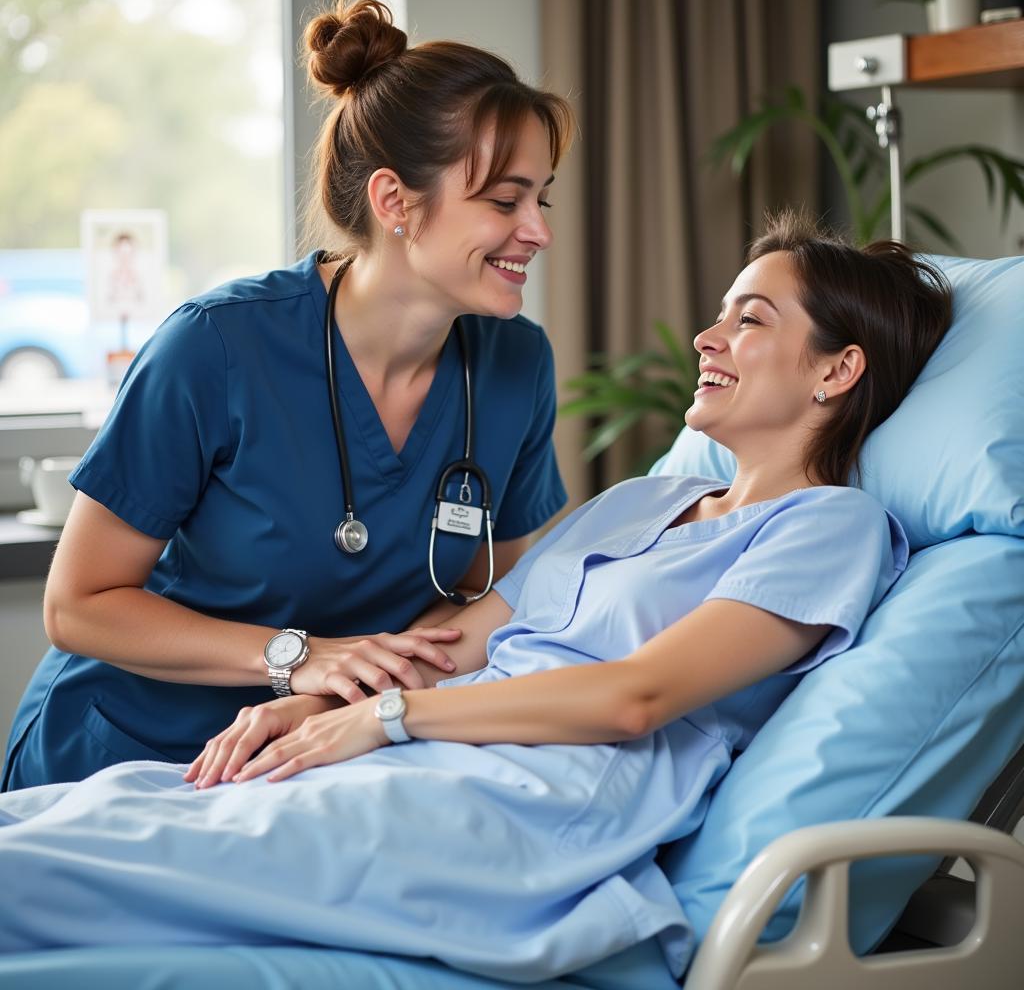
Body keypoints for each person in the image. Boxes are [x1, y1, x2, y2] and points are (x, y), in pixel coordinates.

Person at [0, 214, 953, 983]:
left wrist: (389, 716)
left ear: (838, 369)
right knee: (99, 817)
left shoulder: (832, 527)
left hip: (536, 798)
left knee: (79, 873)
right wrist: (311, 698)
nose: (708, 335)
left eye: (752, 319)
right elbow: (462, 639)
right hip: (431, 754)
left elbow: (636, 698)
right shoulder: (642, 501)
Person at [2, 0, 575, 791]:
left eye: (541, 199)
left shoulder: (516, 366)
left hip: (316, 755)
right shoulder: (218, 347)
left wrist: (341, 701)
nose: (539, 231)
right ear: (394, 202)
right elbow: (79, 605)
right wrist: (299, 659)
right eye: (504, 201)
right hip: (123, 751)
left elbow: (499, 596)